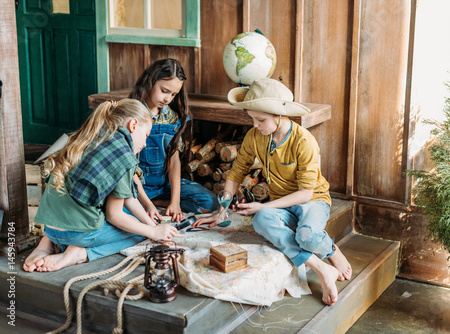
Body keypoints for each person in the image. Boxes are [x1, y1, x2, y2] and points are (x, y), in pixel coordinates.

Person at [193, 78, 352, 306]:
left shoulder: (304, 141)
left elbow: (306, 194)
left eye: (261, 120)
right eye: (252, 119)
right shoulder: (255, 137)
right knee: (261, 221)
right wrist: (221, 211)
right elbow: (236, 173)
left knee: (307, 236)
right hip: (281, 204)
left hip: (312, 201)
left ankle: (331, 251)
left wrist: (263, 205)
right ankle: (322, 269)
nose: (255, 125)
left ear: (280, 115)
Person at [23, 99, 181, 273]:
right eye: (146, 135)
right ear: (133, 125)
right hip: (76, 234)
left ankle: (47, 243)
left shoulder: (92, 136)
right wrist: (152, 233)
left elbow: (128, 198)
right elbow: (115, 216)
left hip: (51, 226)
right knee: (139, 232)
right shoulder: (122, 153)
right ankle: (79, 254)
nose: (144, 143)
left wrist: (153, 226)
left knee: (140, 223)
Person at [129, 58, 217, 222]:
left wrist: (175, 202)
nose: (168, 98)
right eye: (164, 90)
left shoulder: (171, 116)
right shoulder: (132, 113)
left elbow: (174, 159)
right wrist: (147, 204)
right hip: (137, 186)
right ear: (151, 81)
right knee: (116, 211)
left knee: (209, 202)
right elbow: (128, 168)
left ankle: (161, 202)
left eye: (173, 94)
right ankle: (149, 204)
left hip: (163, 185)